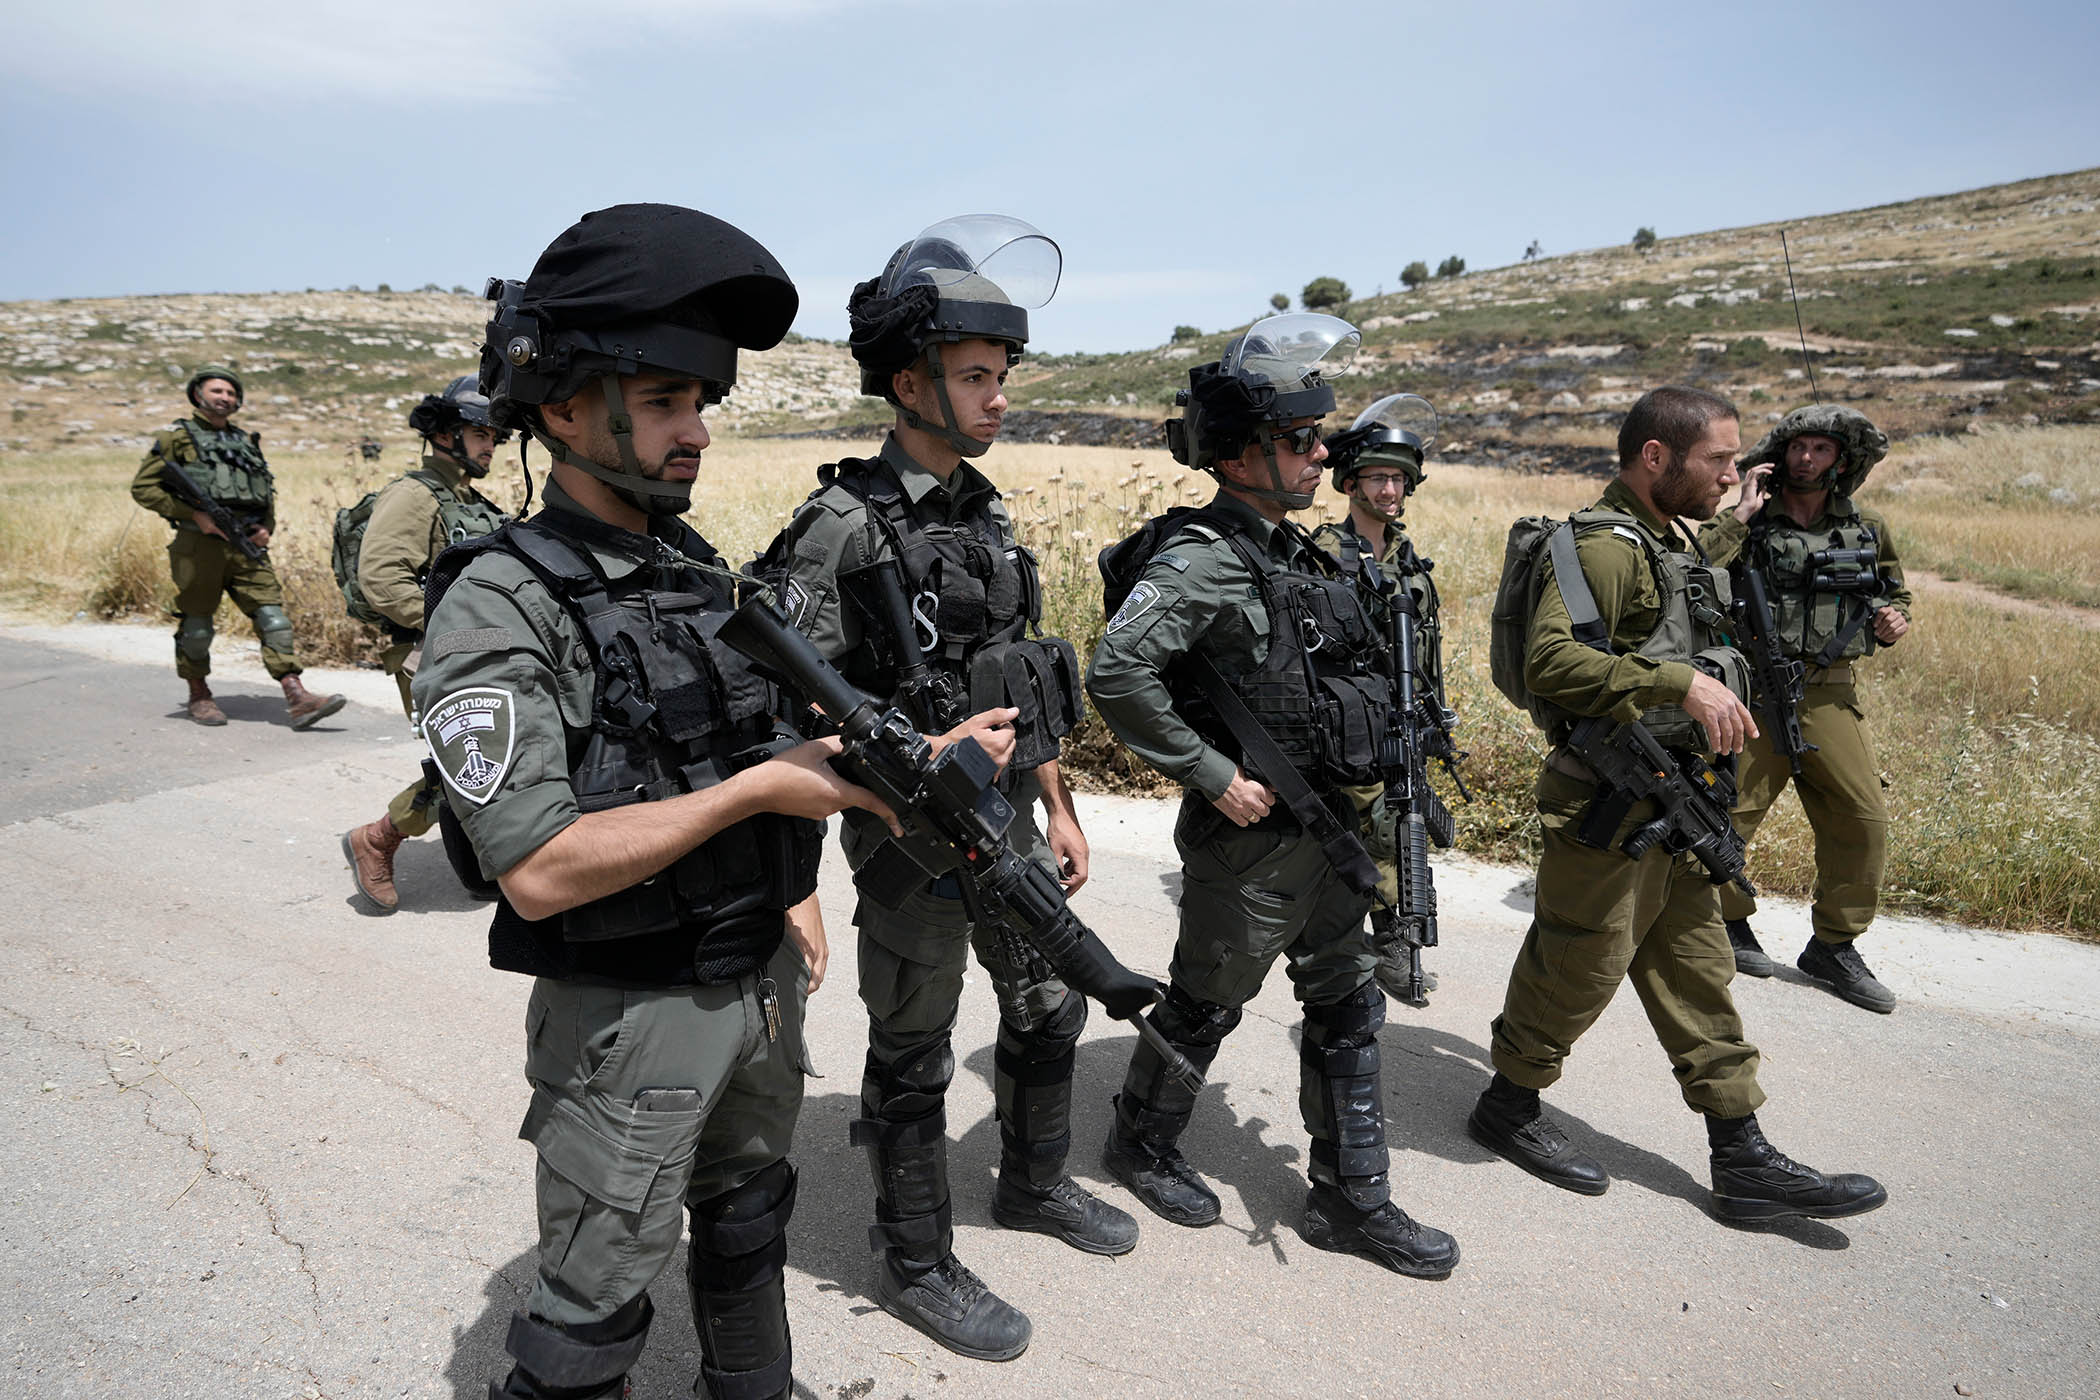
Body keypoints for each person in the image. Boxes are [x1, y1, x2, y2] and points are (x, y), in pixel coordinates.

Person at [412, 203, 900, 1400]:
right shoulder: (498, 602)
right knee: (591, 1308)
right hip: (632, 1021)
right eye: (664, 401)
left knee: (747, 1221)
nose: (697, 434)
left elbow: (745, 740)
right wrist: (761, 795)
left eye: (702, 404)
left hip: (755, 984)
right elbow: (539, 865)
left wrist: (822, 831)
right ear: (564, 405)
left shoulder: (689, 571)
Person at [757, 216, 1119, 1362]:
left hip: (1006, 821)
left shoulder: (987, 515)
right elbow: (782, 706)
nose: (998, 397)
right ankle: (913, 1257)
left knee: (1050, 1002)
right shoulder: (841, 525)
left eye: (1003, 376)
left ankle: (1033, 1181)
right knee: (913, 1043)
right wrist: (819, 853)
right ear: (909, 382)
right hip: (906, 835)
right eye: (975, 377)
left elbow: (1027, 676)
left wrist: (1058, 802)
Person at [1087, 314, 1460, 1278]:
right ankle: (1140, 1137)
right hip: (1251, 840)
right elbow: (1119, 672)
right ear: (1243, 457)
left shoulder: (1301, 554)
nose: (1322, 454)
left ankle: (1350, 1196)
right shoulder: (1203, 557)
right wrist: (1211, 776)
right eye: (1300, 442)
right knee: (1207, 1001)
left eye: (1319, 437)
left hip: (1333, 827)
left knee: (1346, 1003)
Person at [1471, 384, 1887, 1224]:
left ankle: (1743, 1157)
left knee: (1701, 972)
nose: (1734, 474)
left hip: (1676, 796)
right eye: (1720, 460)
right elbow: (1553, 663)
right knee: (1579, 964)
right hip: (1611, 803)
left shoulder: (1671, 542)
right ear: (1655, 458)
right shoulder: (1605, 546)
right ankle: (1506, 1108)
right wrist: (1679, 683)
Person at [1699, 404, 1910, 1013]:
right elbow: (1692, 566)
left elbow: (1893, 593)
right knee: (1729, 814)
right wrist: (1740, 512)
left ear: (1840, 460)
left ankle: (1834, 946)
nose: (1808, 459)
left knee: (1862, 818)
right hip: (1753, 692)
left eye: (1821, 449)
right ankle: (1728, 919)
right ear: (1781, 454)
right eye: (1799, 448)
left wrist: (1896, 621)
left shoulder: (1866, 528)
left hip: (1829, 691)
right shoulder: (1750, 522)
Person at [342, 375, 512, 912]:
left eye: (494, 435)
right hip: (428, 648)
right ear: (444, 434)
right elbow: (383, 578)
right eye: (480, 432)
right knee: (475, 757)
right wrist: (455, 627)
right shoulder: (413, 495)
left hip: (476, 642)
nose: (491, 444)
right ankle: (379, 837)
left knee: (506, 750)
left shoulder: (468, 499)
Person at [1313, 393, 1452, 1003]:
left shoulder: (1411, 563)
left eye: (1398, 478)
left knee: (1405, 817)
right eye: (1377, 478)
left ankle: (1394, 929)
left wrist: (1436, 715)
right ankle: (1390, 933)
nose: (1390, 490)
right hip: (1346, 713)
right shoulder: (1325, 552)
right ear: (1350, 484)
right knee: (1379, 821)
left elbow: (1429, 647)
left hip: (1405, 713)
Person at [128, 366, 345, 727]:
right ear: (198, 395)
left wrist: (266, 529)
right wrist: (194, 515)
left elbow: (265, 493)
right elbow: (144, 488)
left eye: (230, 393)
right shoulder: (176, 437)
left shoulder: (245, 441)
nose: (224, 397)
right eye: (216, 391)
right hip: (199, 546)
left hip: (247, 544)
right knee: (197, 627)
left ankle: (297, 695)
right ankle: (199, 695)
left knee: (274, 620)